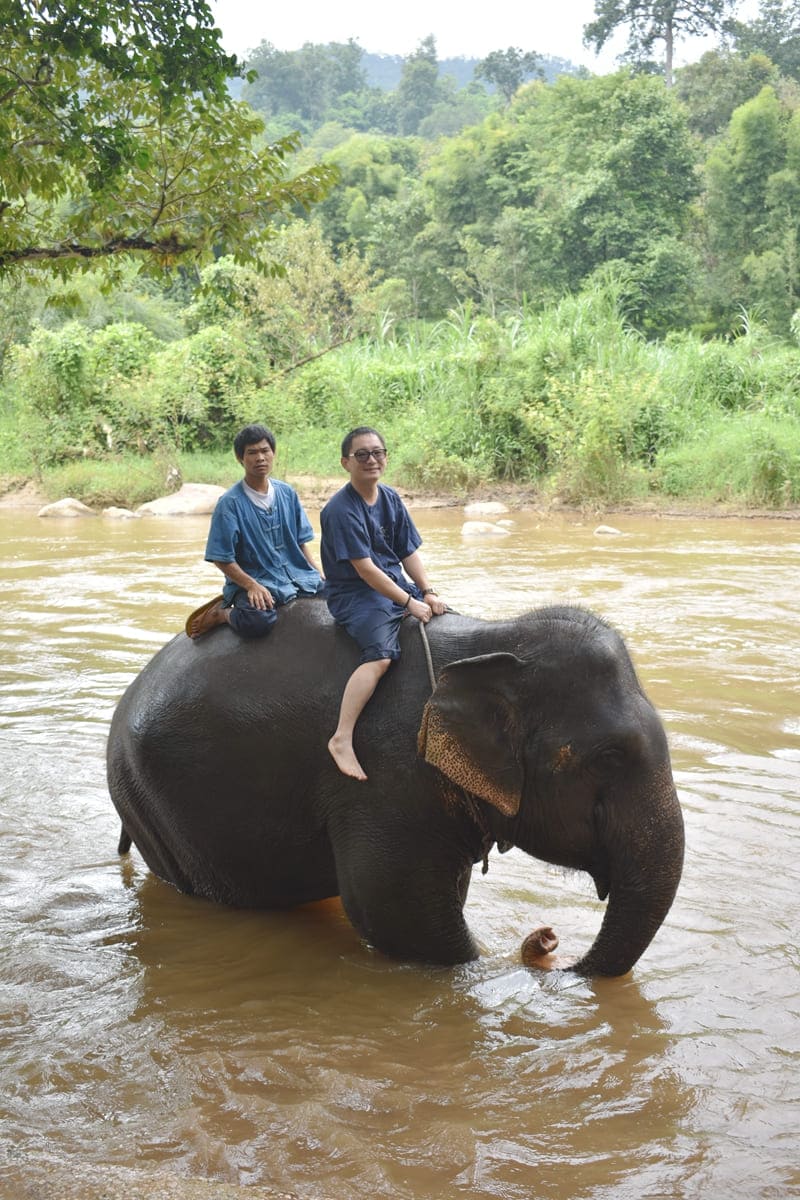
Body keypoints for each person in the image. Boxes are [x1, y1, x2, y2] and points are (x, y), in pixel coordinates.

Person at [321, 425, 446, 781]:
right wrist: (409, 601)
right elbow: (365, 570)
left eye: (377, 453)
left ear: (386, 458)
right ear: (346, 462)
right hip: (356, 594)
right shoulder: (340, 510)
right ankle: (342, 737)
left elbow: (407, 552)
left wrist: (428, 591)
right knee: (381, 656)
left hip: (393, 584)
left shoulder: (389, 498)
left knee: (443, 618)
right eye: (362, 454)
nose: (371, 460)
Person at [186, 423, 323, 639]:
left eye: (265, 451)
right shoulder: (229, 504)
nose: (260, 458)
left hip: (296, 576)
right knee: (257, 621)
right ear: (240, 458)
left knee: (342, 595)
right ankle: (223, 614)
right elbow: (221, 558)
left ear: (273, 453)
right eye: (252, 452)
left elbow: (300, 543)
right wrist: (251, 585)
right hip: (258, 580)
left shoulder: (287, 493)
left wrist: (317, 573)